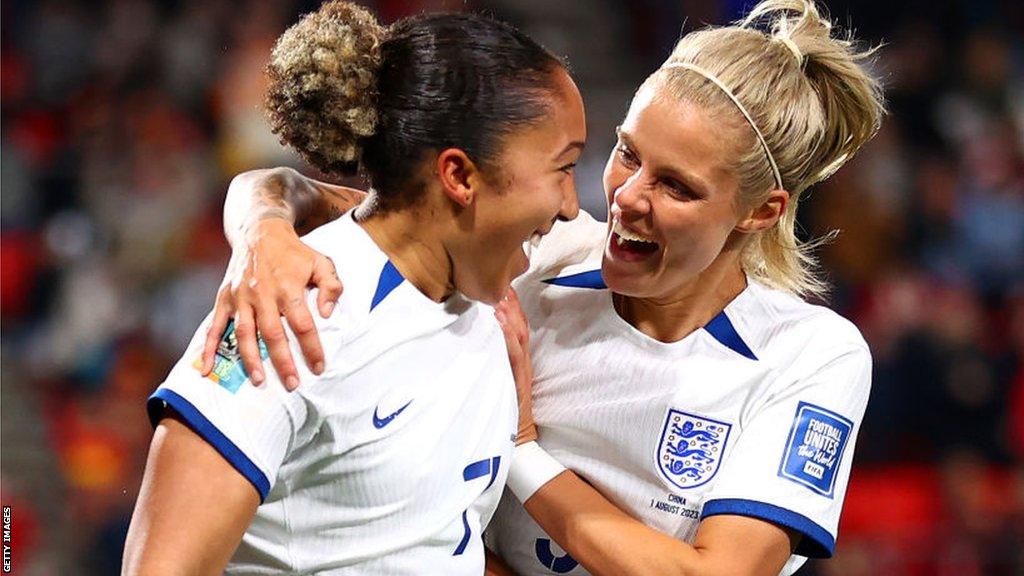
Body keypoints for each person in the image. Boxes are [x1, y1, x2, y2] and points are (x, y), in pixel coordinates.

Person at [205, 0, 884, 574]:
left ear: (762, 210)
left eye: (676, 185)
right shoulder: (537, 258)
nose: (627, 198)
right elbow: (308, 194)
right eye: (627, 153)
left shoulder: (810, 355)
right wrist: (263, 236)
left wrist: (522, 445)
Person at [121, 2, 586, 574]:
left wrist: (263, 213)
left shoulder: (470, 289)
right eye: (563, 169)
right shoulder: (292, 314)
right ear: (460, 176)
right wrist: (260, 224)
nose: (571, 206)